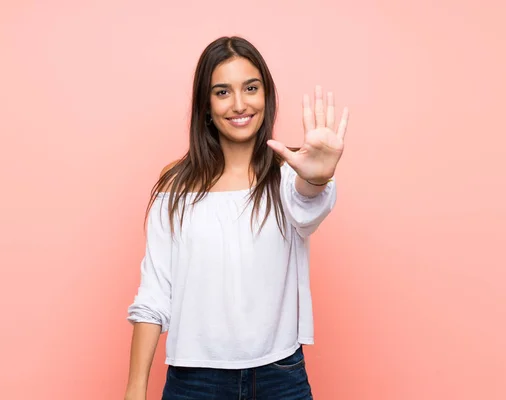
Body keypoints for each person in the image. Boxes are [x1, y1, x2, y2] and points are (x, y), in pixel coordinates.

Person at [124, 36, 349, 400]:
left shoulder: (290, 175)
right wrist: (135, 389)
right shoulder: (176, 186)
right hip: (194, 380)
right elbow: (154, 294)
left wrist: (317, 177)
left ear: (266, 95)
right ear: (206, 106)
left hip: (280, 377)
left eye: (251, 88)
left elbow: (308, 209)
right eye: (222, 92)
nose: (240, 104)